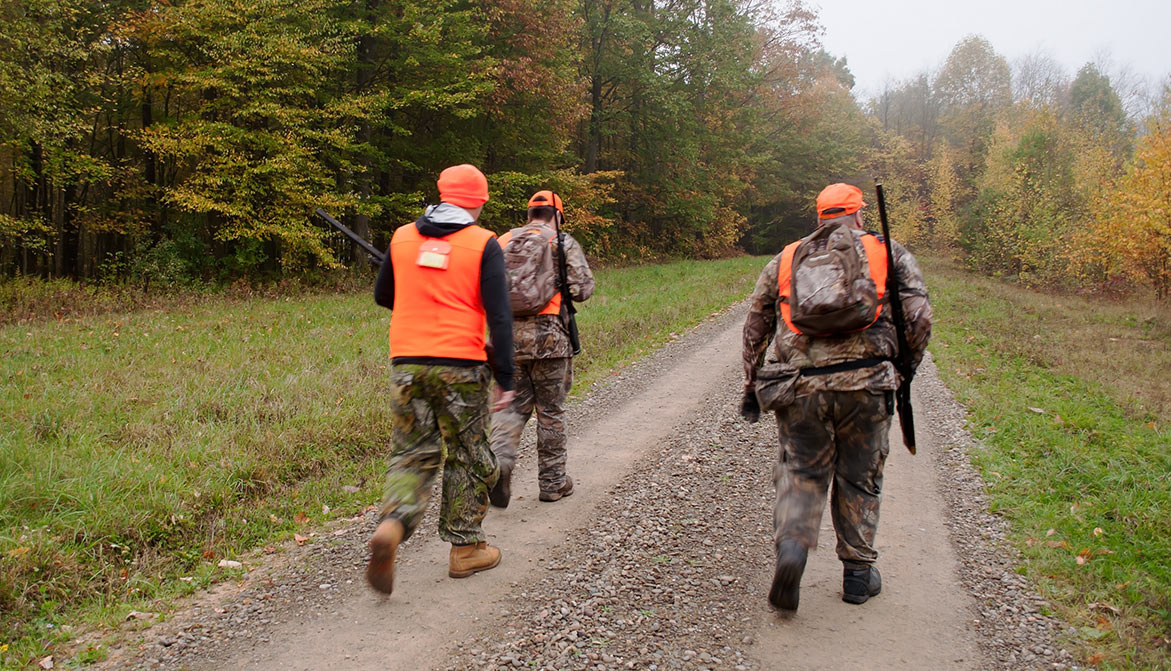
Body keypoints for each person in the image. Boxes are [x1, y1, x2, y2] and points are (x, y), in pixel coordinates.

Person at [740, 183, 932, 612]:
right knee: (860, 476)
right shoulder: (889, 253)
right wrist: (904, 370)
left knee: (801, 471)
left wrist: (752, 383)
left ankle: (793, 548)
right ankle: (858, 576)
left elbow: (755, 328)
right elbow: (920, 319)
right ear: (859, 215)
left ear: (819, 217)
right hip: (868, 385)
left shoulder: (786, 258)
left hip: (800, 388)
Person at [365, 164, 516, 595]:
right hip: (461, 365)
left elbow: (383, 295)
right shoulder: (483, 243)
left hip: (407, 363)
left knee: (411, 453)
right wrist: (505, 376)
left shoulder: (401, 237)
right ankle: (465, 548)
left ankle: (393, 525)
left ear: (442, 194)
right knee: (467, 453)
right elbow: (500, 316)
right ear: (478, 202)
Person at [488, 190, 594, 507]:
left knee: (509, 409)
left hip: (506, 340)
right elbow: (582, 289)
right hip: (551, 340)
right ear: (557, 215)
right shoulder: (561, 241)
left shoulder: (502, 241)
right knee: (550, 413)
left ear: (529, 214)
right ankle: (552, 483)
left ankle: (499, 465)